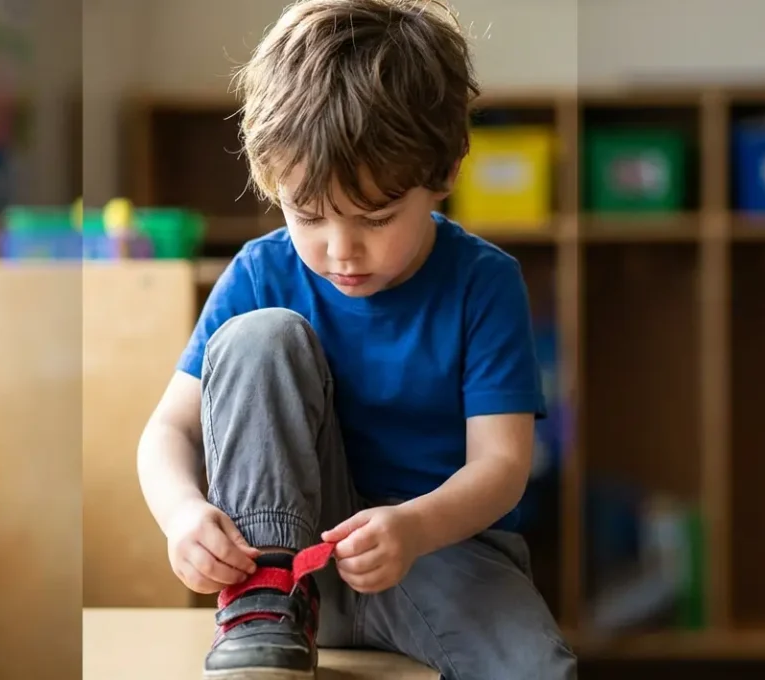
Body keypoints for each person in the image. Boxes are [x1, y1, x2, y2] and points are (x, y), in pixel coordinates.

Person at [136, 1, 577, 678]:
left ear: (446, 172)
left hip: (440, 554)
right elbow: (167, 431)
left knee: (539, 670)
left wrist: (412, 529)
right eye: (307, 214)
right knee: (260, 337)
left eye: (375, 217)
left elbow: (502, 466)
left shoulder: (483, 282)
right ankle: (264, 603)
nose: (341, 250)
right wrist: (183, 515)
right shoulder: (260, 271)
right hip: (284, 568)